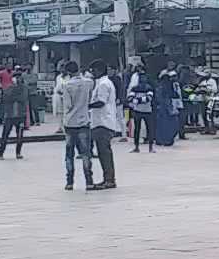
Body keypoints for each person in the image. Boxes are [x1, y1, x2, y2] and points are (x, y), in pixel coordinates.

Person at [56, 60, 97, 191]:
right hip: (84, 121)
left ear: (68, 72)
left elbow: (67, 105)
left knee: (69, 154)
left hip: (70, 123)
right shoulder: (88, 83)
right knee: (86, 153)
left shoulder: (67, 85)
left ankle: (69, 182)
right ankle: (89, 181)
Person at [88, 58, 121, 189]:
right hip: (99, 121)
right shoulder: (100, 83)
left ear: (100, 70)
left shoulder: (104, 84)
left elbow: (101, 102)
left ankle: (110, 179)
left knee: (105, 152)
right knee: (102, 152)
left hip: (103, 122)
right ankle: (107, 178)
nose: (92, 73)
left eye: (93, 70)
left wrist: (86, 105)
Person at [0, 69, 28, 159]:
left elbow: (22, 98)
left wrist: (14, 92)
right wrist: (14, 90)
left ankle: (18, 153)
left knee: (20, 135)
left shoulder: (24, 88)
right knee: (5, 135)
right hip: (9, 115)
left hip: (20, 114)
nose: (17, 79)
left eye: (19, 77)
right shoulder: (9, 87)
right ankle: (1, 153)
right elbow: (6, 98)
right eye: (15, 77)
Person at [129, 72, 157, 151]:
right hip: (138, 111)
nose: (143, 79)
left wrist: (136, 100)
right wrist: (141, 100)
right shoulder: (135, 88)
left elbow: (149, 98)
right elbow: (130, 98)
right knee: (137, 129)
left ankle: (150, 147)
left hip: (147, 111)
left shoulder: (149, 88)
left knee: (149, 129)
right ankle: (136, 147)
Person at [153, 69, 182, 147]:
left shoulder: (162, 86)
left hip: (164, 109)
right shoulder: (163, 87)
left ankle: (163, 140)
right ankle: (165, 140)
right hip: (166, 109)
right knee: (168, 125)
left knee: (163, 125)